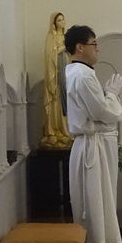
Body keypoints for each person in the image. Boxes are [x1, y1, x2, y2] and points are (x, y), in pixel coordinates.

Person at [64, 25, 122, 243]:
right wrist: (112, 96)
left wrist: (108, 101)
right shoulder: (82, 75)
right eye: (94, 44)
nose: (97, 49)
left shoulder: (80, 73)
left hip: (94, 145)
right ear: (79, 47)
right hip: (92, 148)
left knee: (98, 203)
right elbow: (101, 112)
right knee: (93, 205)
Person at [41, 12, 74, 149]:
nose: (62, 22)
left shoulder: (67, 37)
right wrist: (62, 48)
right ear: (54, 23)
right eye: (59, 20)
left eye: (63, 20)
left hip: (66, 69)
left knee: (68, 98)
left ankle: (66, 130)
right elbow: (50, 56)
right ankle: (54, 130)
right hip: (56, 73)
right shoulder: (51, 37)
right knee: (57, 100)